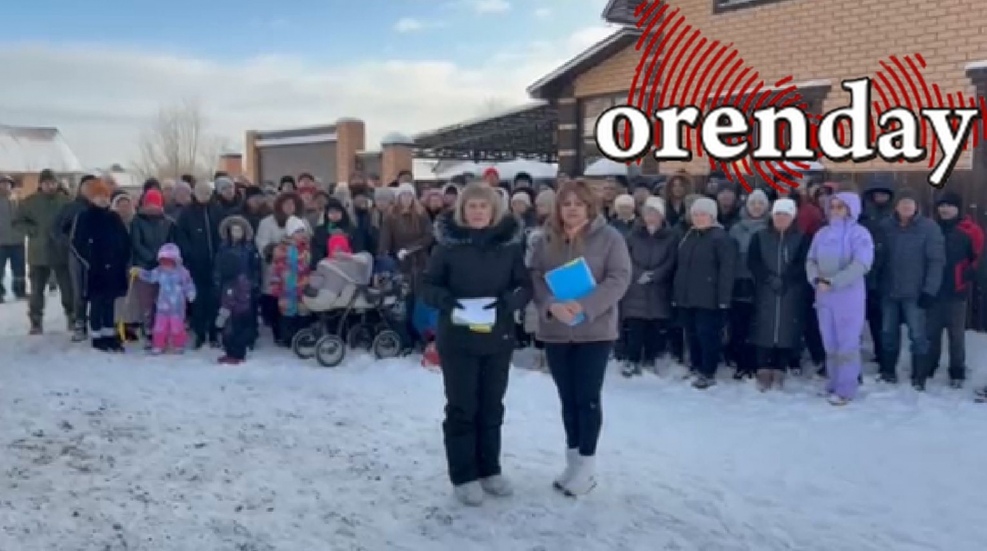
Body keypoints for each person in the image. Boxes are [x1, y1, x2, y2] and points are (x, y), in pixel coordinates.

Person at [420, 182, 531, 506]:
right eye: (472, 206)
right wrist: (446, 300)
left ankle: (489, 469)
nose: (478, 212)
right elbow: (427, 285)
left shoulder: (509, 247)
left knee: (492, 406)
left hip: (498, 337)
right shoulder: (447, 247)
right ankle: (464, 474)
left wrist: (508, 302)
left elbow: (524, 286)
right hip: (459, 338)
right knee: (462, 407)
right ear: (462, 210)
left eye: (484, 206)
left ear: (493, 210)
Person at [528, 179, 631, 497]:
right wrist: (550, 305)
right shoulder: (545, 239)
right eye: (566, 204)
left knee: (587, 398)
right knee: (567, 399)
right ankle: (572, 461)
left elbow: (619, 278)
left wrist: (586, 306)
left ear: (590, 207)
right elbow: (535, 277)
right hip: (557, 331)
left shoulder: (610, 238)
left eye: (579, 204)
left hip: (594, 331)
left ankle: (587, 466)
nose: (572, 209)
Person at [806, 192, 874, 405]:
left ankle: (846, 388)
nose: (835, 211)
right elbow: (811, 259)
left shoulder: (859, 234)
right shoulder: (822, 234)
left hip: (848, 296)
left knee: (847, 344)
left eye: (840, 207)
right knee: (830, 342)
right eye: (832, 206)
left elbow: (861, 264)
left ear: (851, 209)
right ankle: (833, 382)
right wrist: (815, 278)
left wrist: (835, 281)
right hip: (824, 296)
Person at [876, 189, 945, 390]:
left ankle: (919, 376)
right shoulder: (885, 226)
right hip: (889, 290)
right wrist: (875, 283)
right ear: (896, 206)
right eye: (902, 202)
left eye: (910, 202)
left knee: (918, 335)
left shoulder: (929, 228)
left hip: (916, 292)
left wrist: (930, 290)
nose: (906, 206)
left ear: (916, 206)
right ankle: (888, 371)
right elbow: (878, 257)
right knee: (888, 333)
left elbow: (936, 261)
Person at [672, 197, 737, 389]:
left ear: (712, 216)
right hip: (688, 296)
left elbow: (727, 271)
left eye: (703, 214)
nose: (699, 218)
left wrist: (724, 299)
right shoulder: (689, 236)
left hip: (710, 298)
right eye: (696, 214)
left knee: (707, 335)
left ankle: (708, 371)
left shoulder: (721, 238)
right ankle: (696, 365)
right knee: (691, 334)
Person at [747, 198, 809, 391]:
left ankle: (780, 366)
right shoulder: (760, 237)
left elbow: (803, 262)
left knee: (786, 328)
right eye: (778, 214)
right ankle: (763, 367)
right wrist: (768, 278)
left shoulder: (801, 238)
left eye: (785, 215)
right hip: (765, 289)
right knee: (764, 326)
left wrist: (787, 279)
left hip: (791, 290)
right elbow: (754, 261)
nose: (781, 218)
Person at [71, 179, 132, 352]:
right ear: (92, 198)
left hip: (114, 267)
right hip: (95, 269)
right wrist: (89, 261)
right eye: (99, 196)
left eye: (105, 196)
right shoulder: (85, 217)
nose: (103, 199)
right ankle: (97, 335)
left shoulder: (114, 217)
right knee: (97, 302)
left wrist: (122, 257)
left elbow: (124, 239)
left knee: (110, 302)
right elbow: (77, 243)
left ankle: (109, 333)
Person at [928, 192, 981, 387]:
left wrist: (967, 274)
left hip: (957, 291)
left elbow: (980, 257)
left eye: (950, 205)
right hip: (933, 290)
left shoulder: (970, 230)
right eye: (942, 205)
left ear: (958, 208)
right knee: (931, 333)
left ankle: (957, 371)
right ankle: (930, 365)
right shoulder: (931, 228)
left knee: (956, 335)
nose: (945, 209)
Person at [620, 196, 676, 377]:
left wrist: (656, 275)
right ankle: (632, 359)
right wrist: (638, 274)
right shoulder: (633, 235)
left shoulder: (670, 237)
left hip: (659, 289)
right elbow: (625, 257)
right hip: (636, 287)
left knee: (655, 327)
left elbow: (671, 260)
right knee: (635, 327)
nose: (651, 217)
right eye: (648, 213)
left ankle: (651, 359)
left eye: (655, 213)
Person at [13, 168, 73, 334]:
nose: (50, 186)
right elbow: (17, 222)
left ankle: (72, 316)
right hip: (38, 253)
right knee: (36, 291)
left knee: (68, 289)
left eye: (53, 183)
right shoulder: (29, 202)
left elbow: (75, 221)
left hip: (61, 252)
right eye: (47, 183)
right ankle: (36, 321)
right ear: (41, 184)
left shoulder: (66, 202)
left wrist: (66, 234)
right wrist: (32, 231)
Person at [379, 183, 433, 348]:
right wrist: (384, 257)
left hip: (420, 261)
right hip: (401, 264)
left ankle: (422, 336)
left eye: (409, 195)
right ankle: (406, 339)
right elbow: (385, 240)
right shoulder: (391, 216)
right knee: (404, 302)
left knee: (420, 301)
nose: (406, 199)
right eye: (403, 195)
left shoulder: (421, 214)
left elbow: (428, 236)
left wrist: (411, 249)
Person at [727, 189, 770, 379]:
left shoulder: (770, 227)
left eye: (761, 203)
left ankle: (756, 362)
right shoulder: (736, 229)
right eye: (753, 203)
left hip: (761, 281)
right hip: (739, 280)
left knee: (758, 324)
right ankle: (740, 362)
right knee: (739, 323)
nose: (757, 207)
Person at [175, 182, 222, 348]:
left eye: (207, 193)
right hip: (196, 263)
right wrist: (189, 253)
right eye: (201, 193)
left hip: (215, 261)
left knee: (214, 298)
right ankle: (200, 333)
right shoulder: (187, 212)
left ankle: (214, 332)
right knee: (198, 299)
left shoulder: (217, 210)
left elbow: (223, 232)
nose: (204, 196)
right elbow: (181, 235)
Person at [255, 192, 306, 346]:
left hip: (298, 272)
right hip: (275, 269)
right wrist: (275, 249)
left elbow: (308, 239)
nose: (290, 207)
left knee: (296, 305)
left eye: (293, 204)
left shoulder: (302, 221)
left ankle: (295, 333)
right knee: (275, 302)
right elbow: (262, 243)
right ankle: (278, 333)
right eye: (286, 204)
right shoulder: (267, 222)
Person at [131, 243, 196, 354]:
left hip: (177, 307)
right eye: (163, 261)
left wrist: (190, 293)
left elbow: (188, 284)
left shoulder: (182, 272)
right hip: (162, 306)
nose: (166, 264)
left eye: (169, 261)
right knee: (159, 327)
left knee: (177, 327)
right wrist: (139, 272)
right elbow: (150, 276)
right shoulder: (159, 271)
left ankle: (178, 345)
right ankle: (158, 345)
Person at [130, 189, 176, 347]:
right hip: (144, 266)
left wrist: (166, 258)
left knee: (162, 300)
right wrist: (151, 257)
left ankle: (162, 330)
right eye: (149, 204)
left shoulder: (168, 222)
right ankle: (148, 330)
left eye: (155, 204)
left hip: (164, 266)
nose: (152, 207)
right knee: (146, 301)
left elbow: (171, 242)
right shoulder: (137, 221)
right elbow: (136, 243)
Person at [858, 173, 894, 369]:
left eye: (884, 194)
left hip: (886, 275)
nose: (880, 197)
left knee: (881, 320)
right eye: (877, 193)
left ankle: (882, 355)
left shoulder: (893, 217)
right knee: (857, 318)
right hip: (863, 273)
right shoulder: (862, 216)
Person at [215, 216, 261, 364]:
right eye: (233, 230)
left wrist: (253, 283)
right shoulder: (223, 248)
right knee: (227, 322)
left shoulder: (249, 248)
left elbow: (255, 268)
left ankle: (239, 352)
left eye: (239, 230)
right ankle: (229, 350)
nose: (236, 233)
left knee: (240, 322)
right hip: (226, 286)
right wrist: (217, 281)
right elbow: (217, 267)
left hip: (244, 288)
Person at [270, 216, 312, 343]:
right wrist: (275, 286)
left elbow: (308, 265)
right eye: (297, 232)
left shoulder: (306, 248)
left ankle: (302, 336)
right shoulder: (282, 249)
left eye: (302, 231)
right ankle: (287, 338)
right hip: (286, 288)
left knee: (303, 311)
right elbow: (277, 269)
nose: (301, 234)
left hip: (302, 285)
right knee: (287, 312)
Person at [0, 174, 26, 302]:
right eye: (2, 183)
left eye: (8, 184)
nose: (5, 186)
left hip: (17, 241)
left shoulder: (18, 201)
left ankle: (20, 291)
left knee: (19, 269)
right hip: (1, 242)